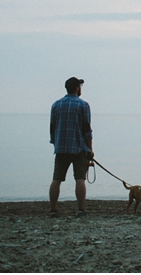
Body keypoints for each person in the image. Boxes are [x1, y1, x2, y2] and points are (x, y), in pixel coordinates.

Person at [49, 77, 93, 218]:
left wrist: (55, 143)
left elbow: (52, 127)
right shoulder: (83, 105)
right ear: (77, 88)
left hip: (61, 148)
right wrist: (90, 149)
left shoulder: (56, 105)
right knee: (80, 179)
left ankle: (53, 210)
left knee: (57, 179)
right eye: (80, 86)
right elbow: (87, 129)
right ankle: (81, 210)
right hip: (79, 148)